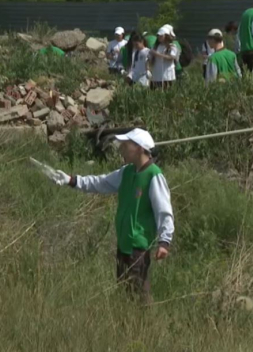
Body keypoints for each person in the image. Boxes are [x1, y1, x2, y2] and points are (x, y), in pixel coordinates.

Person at [41, 129, 174, 304]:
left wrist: (164, 241)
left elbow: (163, 210)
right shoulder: (126, 172)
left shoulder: (153, 175)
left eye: (126, 145)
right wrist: (71, 180)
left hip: (138, 249)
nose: (122, 149)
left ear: (140, 148)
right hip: (123, 245)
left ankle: (144, 326)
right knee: (125, 296)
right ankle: (128, 327)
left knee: (139, 297)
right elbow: (101, 182)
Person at [148, 25, 178, 89]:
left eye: (161, 36)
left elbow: (171, 57)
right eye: (158, 36)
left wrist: (157, 54)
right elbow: (149, 58)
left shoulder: (172, 46)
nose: (159, 37)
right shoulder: (155, 46)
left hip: (167, 75)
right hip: (156, 75)